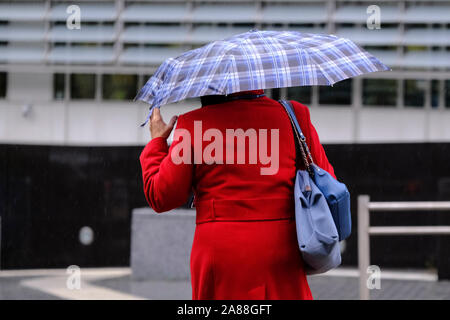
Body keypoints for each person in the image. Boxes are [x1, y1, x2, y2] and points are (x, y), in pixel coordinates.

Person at [139, 89, 336, 300]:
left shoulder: (193, 124)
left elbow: (162, 195)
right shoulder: (293, 115)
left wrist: (157, 142)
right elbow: (327, 180)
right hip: (281, 249)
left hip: (220, 253)